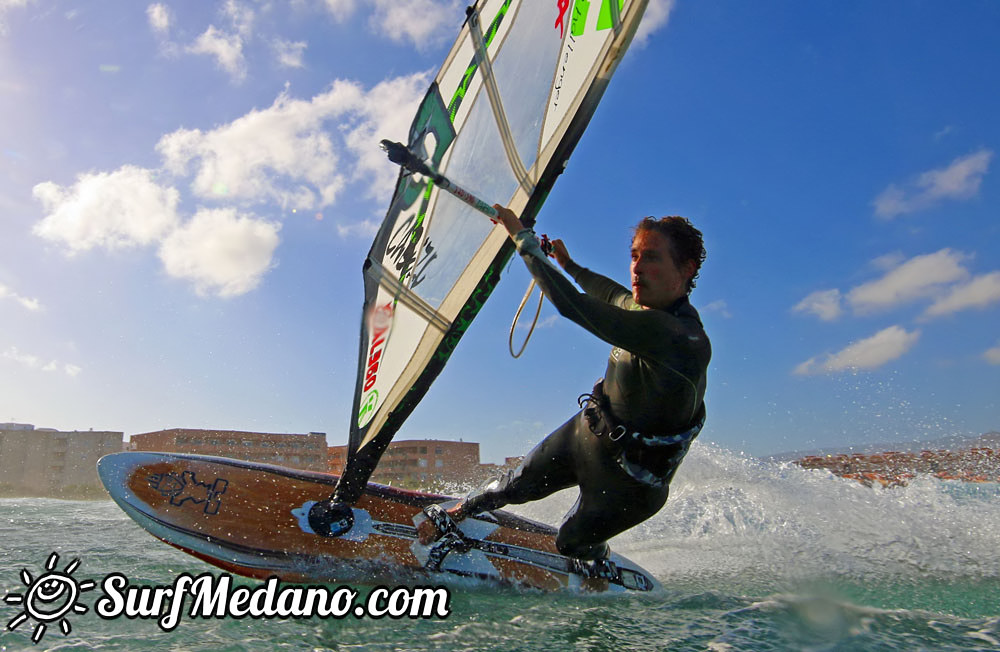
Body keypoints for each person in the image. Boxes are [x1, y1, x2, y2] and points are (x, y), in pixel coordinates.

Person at [417, 204, 711, 564]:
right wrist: (568, 266)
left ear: (686, 269)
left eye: (651, 258)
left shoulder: (678, 337)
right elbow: (610, 293)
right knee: (512, 484)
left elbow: (575, 306)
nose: (636, 267)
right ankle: (454, 515)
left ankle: (597, 557)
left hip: (629, 484)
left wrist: (522, 240)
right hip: (585, 437)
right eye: (634, 255)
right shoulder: (645, 311)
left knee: (568, 542)